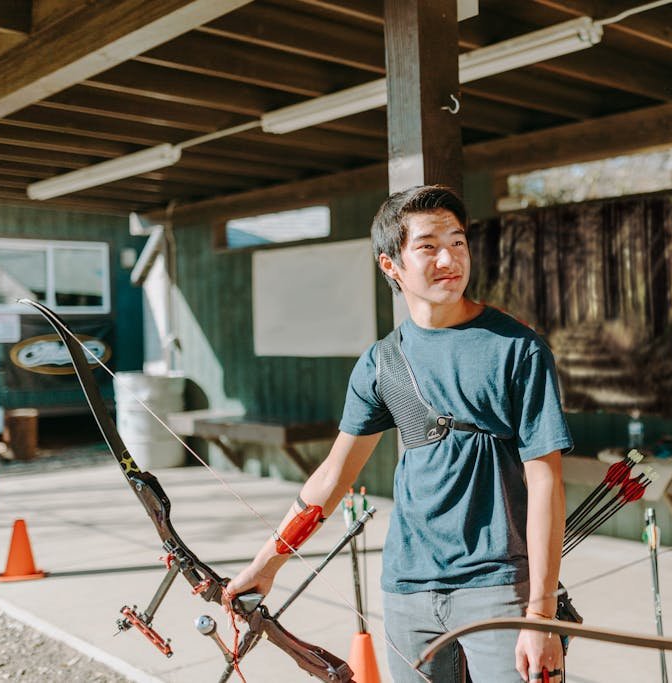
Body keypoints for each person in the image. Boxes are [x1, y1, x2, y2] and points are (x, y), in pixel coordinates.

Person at [225, 185, 571, 682]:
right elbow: (332, 477)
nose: (449, 258)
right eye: (428, 246)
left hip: (499, 586)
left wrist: (540, 612)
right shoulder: (382, 362)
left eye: (458, 242)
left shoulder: (517, 348)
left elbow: (546, 481)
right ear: (391, 265)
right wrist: (266, 565)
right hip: (407, 589)